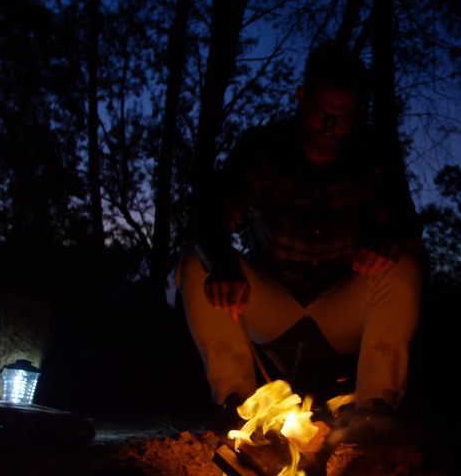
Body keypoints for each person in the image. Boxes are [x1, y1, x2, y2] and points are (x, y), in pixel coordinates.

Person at [179, 41, 423, 427]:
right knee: (198, 263)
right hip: (272, 303)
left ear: (359, 114)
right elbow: (210, 215)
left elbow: (406, 224)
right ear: (301, 98)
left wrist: (387, 241)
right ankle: (237, 405)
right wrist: (223, 264)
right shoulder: (263, 148)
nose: (328, 126)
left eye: (341, 118)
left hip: (339, 305)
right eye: (320, 112)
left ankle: (375, 409)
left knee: (404, 267)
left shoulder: (373, 157)